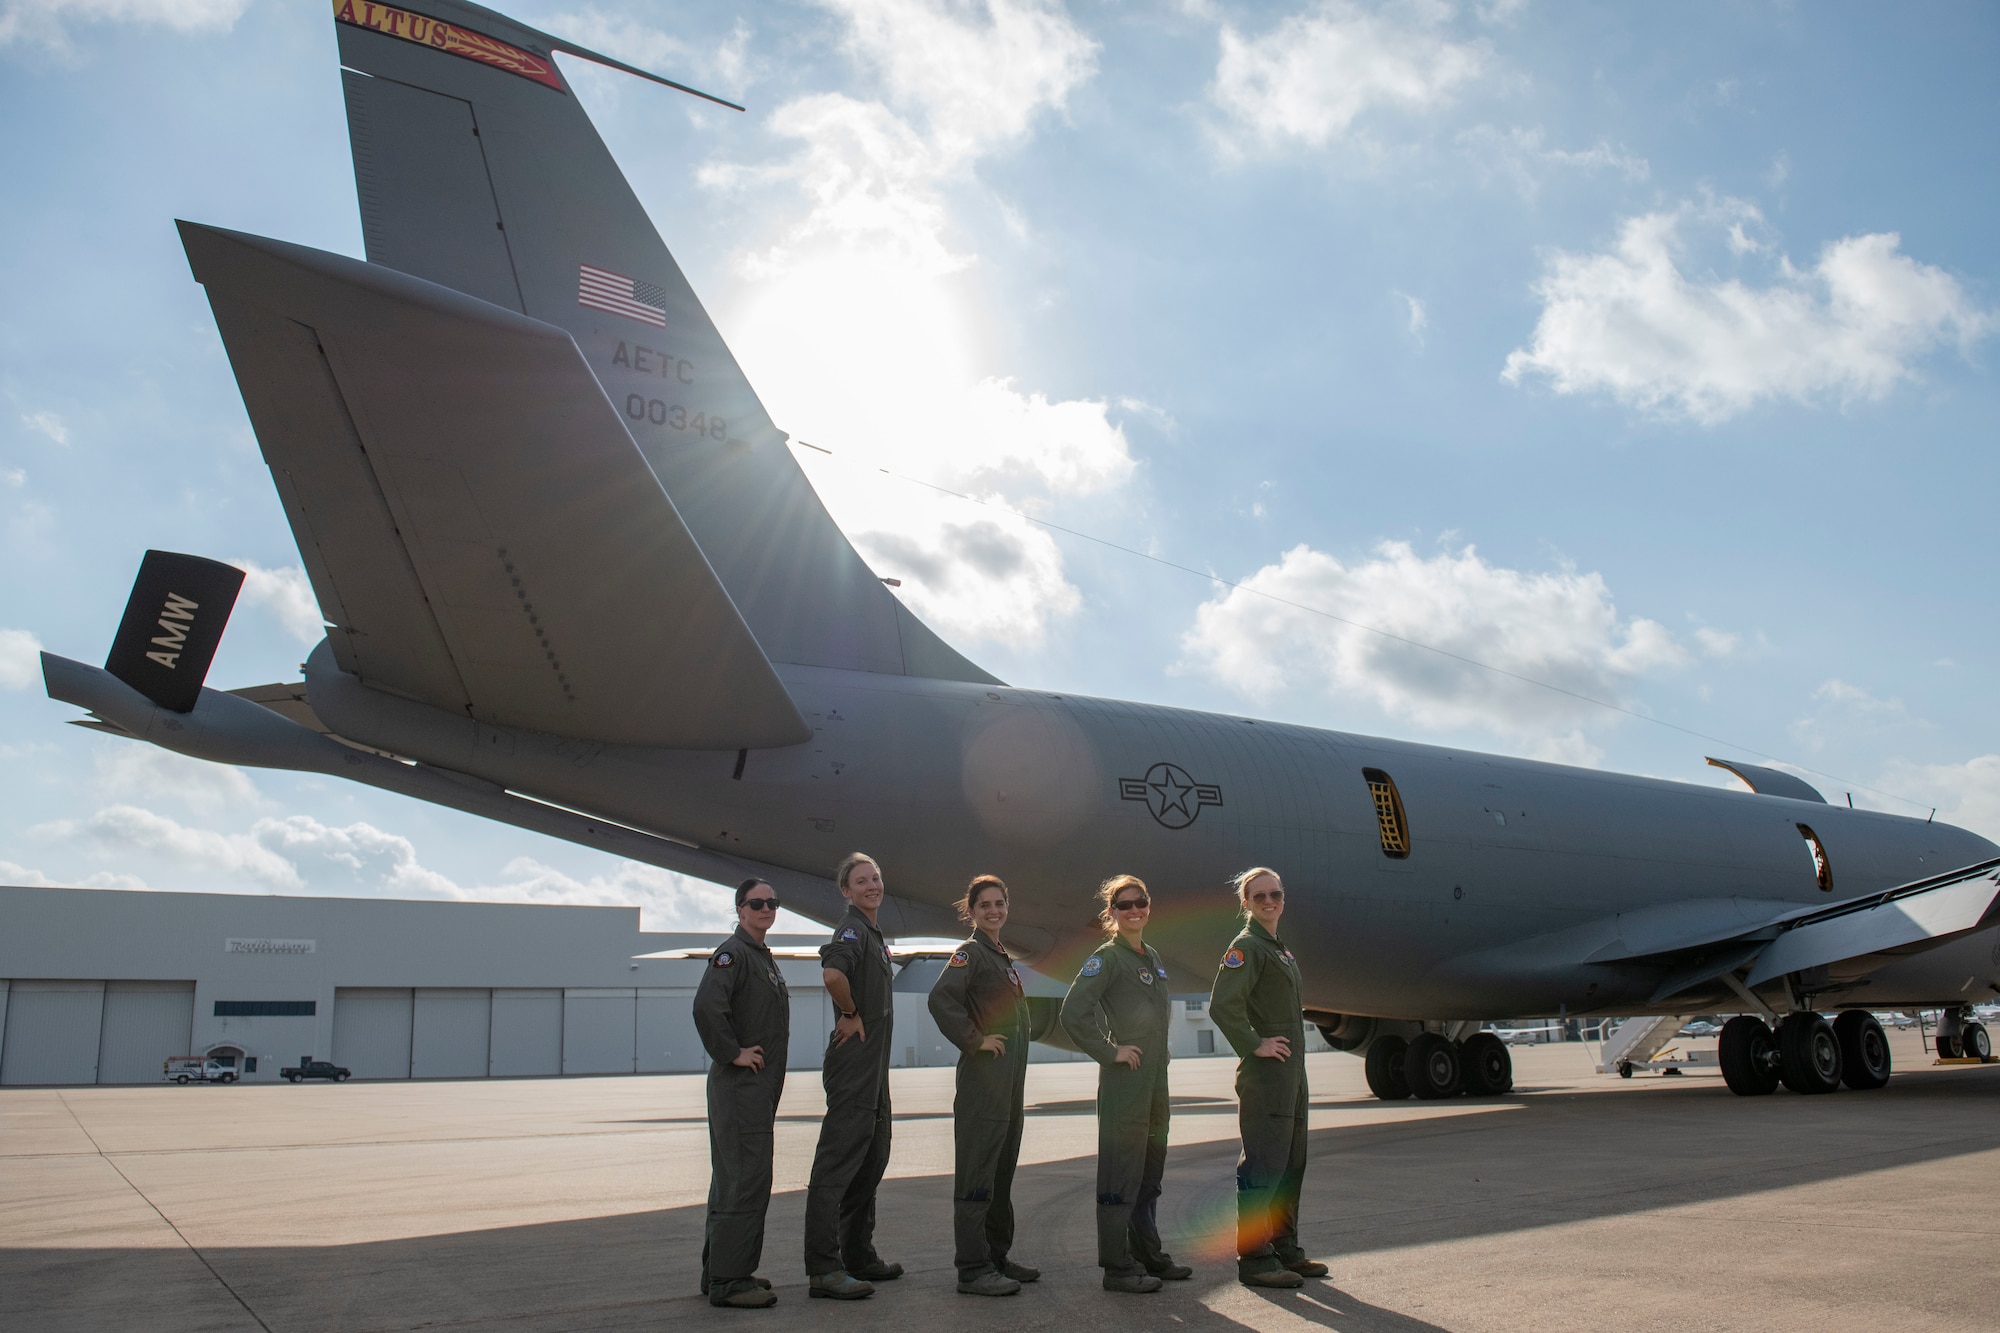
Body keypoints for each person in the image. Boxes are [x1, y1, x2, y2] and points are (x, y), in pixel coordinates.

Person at [1059, 874, 1194, 1293]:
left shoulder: (1149, 955)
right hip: (1126, 1084)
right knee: (1121, 1175)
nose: (1134, 910)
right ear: (1112, 912)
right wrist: (1110, 1050)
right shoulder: (1108, 958)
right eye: (1124, 905)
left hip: (1155, 1083)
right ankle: (1117, 1266)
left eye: (1141, 902)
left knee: (1149, 1174)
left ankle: (1148, 1254)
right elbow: (1073, 1012)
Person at [1210, 867, 1327, 1289]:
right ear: (1245, 903)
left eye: (1274, 893)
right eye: (1258, 896)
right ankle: (1255, 1260)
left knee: (1291, 1164)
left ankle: (1285, 1248)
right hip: (1266, 1078)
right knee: (1263, 1167)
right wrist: (1254, 1043)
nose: (1268, 901)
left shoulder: (1278, 949)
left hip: (1292, 1077)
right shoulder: (1246, 947)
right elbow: (1223, 1006)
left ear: (1283, 897)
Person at [927, 875, 1039, 1297]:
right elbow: (941, 999)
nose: (994, 910)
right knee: (977, 1174)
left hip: (1007, 1087)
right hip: (983, 1085)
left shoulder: (999, 956)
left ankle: (996, 1256)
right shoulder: (970, 954)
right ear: (970, 911)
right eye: (985, 905)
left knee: (1001, 1173)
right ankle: (973, 1268)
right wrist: (975, 1040)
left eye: (1000, 903)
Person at [802, 853, 902, 1299]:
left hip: (874, 1069)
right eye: (861, 880)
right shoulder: (853, 929)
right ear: (846, 890)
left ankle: (859, 1255)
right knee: (837, 1166)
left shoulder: (873, 932)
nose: (872, 885)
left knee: (870, 1161)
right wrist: (849, 1012)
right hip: (855, 1065)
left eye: (876, 877)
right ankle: (824, 1269)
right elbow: (832, 972)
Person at [693, 879, 791, 1309]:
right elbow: (706, 1006)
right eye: (757, 903)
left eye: (772, 902)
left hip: (755, 1091)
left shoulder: (759, 956)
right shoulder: (733, 955)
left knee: (734, 1179)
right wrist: (732, 1052)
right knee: (745, 1180)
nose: (766, 908)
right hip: (740, 1089)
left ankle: (720, 1270)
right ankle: (731, 1281)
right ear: (740, 908)